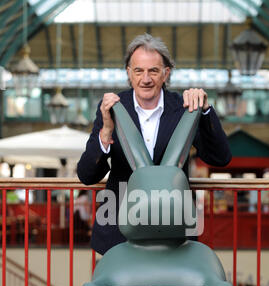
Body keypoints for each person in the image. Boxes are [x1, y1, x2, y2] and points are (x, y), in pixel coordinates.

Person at [77, 33, 232, 255]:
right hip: (119, 231)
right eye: (138, 70)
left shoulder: (185, 107)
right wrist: (106, 132)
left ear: (166, 74)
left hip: (173, 230)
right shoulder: (110, 108)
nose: (146, 79)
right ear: (129, 73)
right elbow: (86, 175)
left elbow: (220, 158)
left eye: (153, 71)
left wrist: (205, 110)